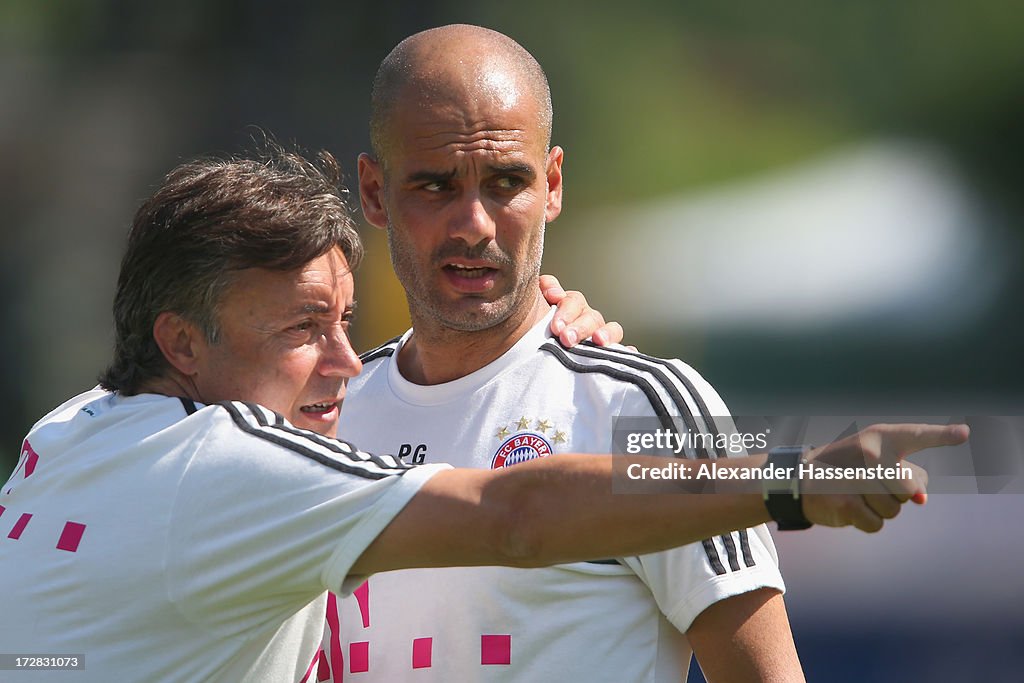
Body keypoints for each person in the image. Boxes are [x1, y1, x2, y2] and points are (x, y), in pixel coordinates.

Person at [0, 142, 963, 682]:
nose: (342, 359)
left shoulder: (68, 430)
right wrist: (790, 476)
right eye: (302, 330)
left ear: (552, 184)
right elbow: (516, 513)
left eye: (503, 181)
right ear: (181, 343)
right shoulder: (237, 461)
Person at [327, 25, 883, 681]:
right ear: (373, 191)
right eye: (435, 186)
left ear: (553, 184)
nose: (474, 223)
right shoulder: (320, 418)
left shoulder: (640, 409)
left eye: (506, 181)